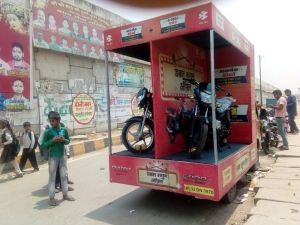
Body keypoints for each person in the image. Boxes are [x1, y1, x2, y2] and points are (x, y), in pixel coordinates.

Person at [41, 111, 75, 206]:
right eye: (50, 121)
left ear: (59, 120)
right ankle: (51, 198)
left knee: (64, 176)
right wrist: (52, 140)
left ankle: (65, 194)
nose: (51, 123)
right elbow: (43, 145)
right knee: (52, 177)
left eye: (53, 121)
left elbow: (68, 141)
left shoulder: (63, 130)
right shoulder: (48, 132)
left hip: (62, 156)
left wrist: (63, 140)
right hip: (53, 157)